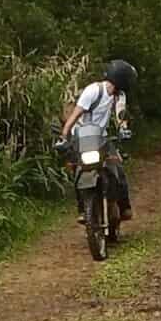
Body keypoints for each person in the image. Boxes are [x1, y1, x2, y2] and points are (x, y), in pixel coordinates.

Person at [57, 60, 137, 222]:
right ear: (122, 79)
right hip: (81, 137)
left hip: (101, 137)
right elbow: (75, 115)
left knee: (117, 165)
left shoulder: (119, 96)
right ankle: (82, 209)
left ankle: (124, 205)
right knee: (78, 170)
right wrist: (64, 137)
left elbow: (120, 115)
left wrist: (124, 129)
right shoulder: (93, 91)